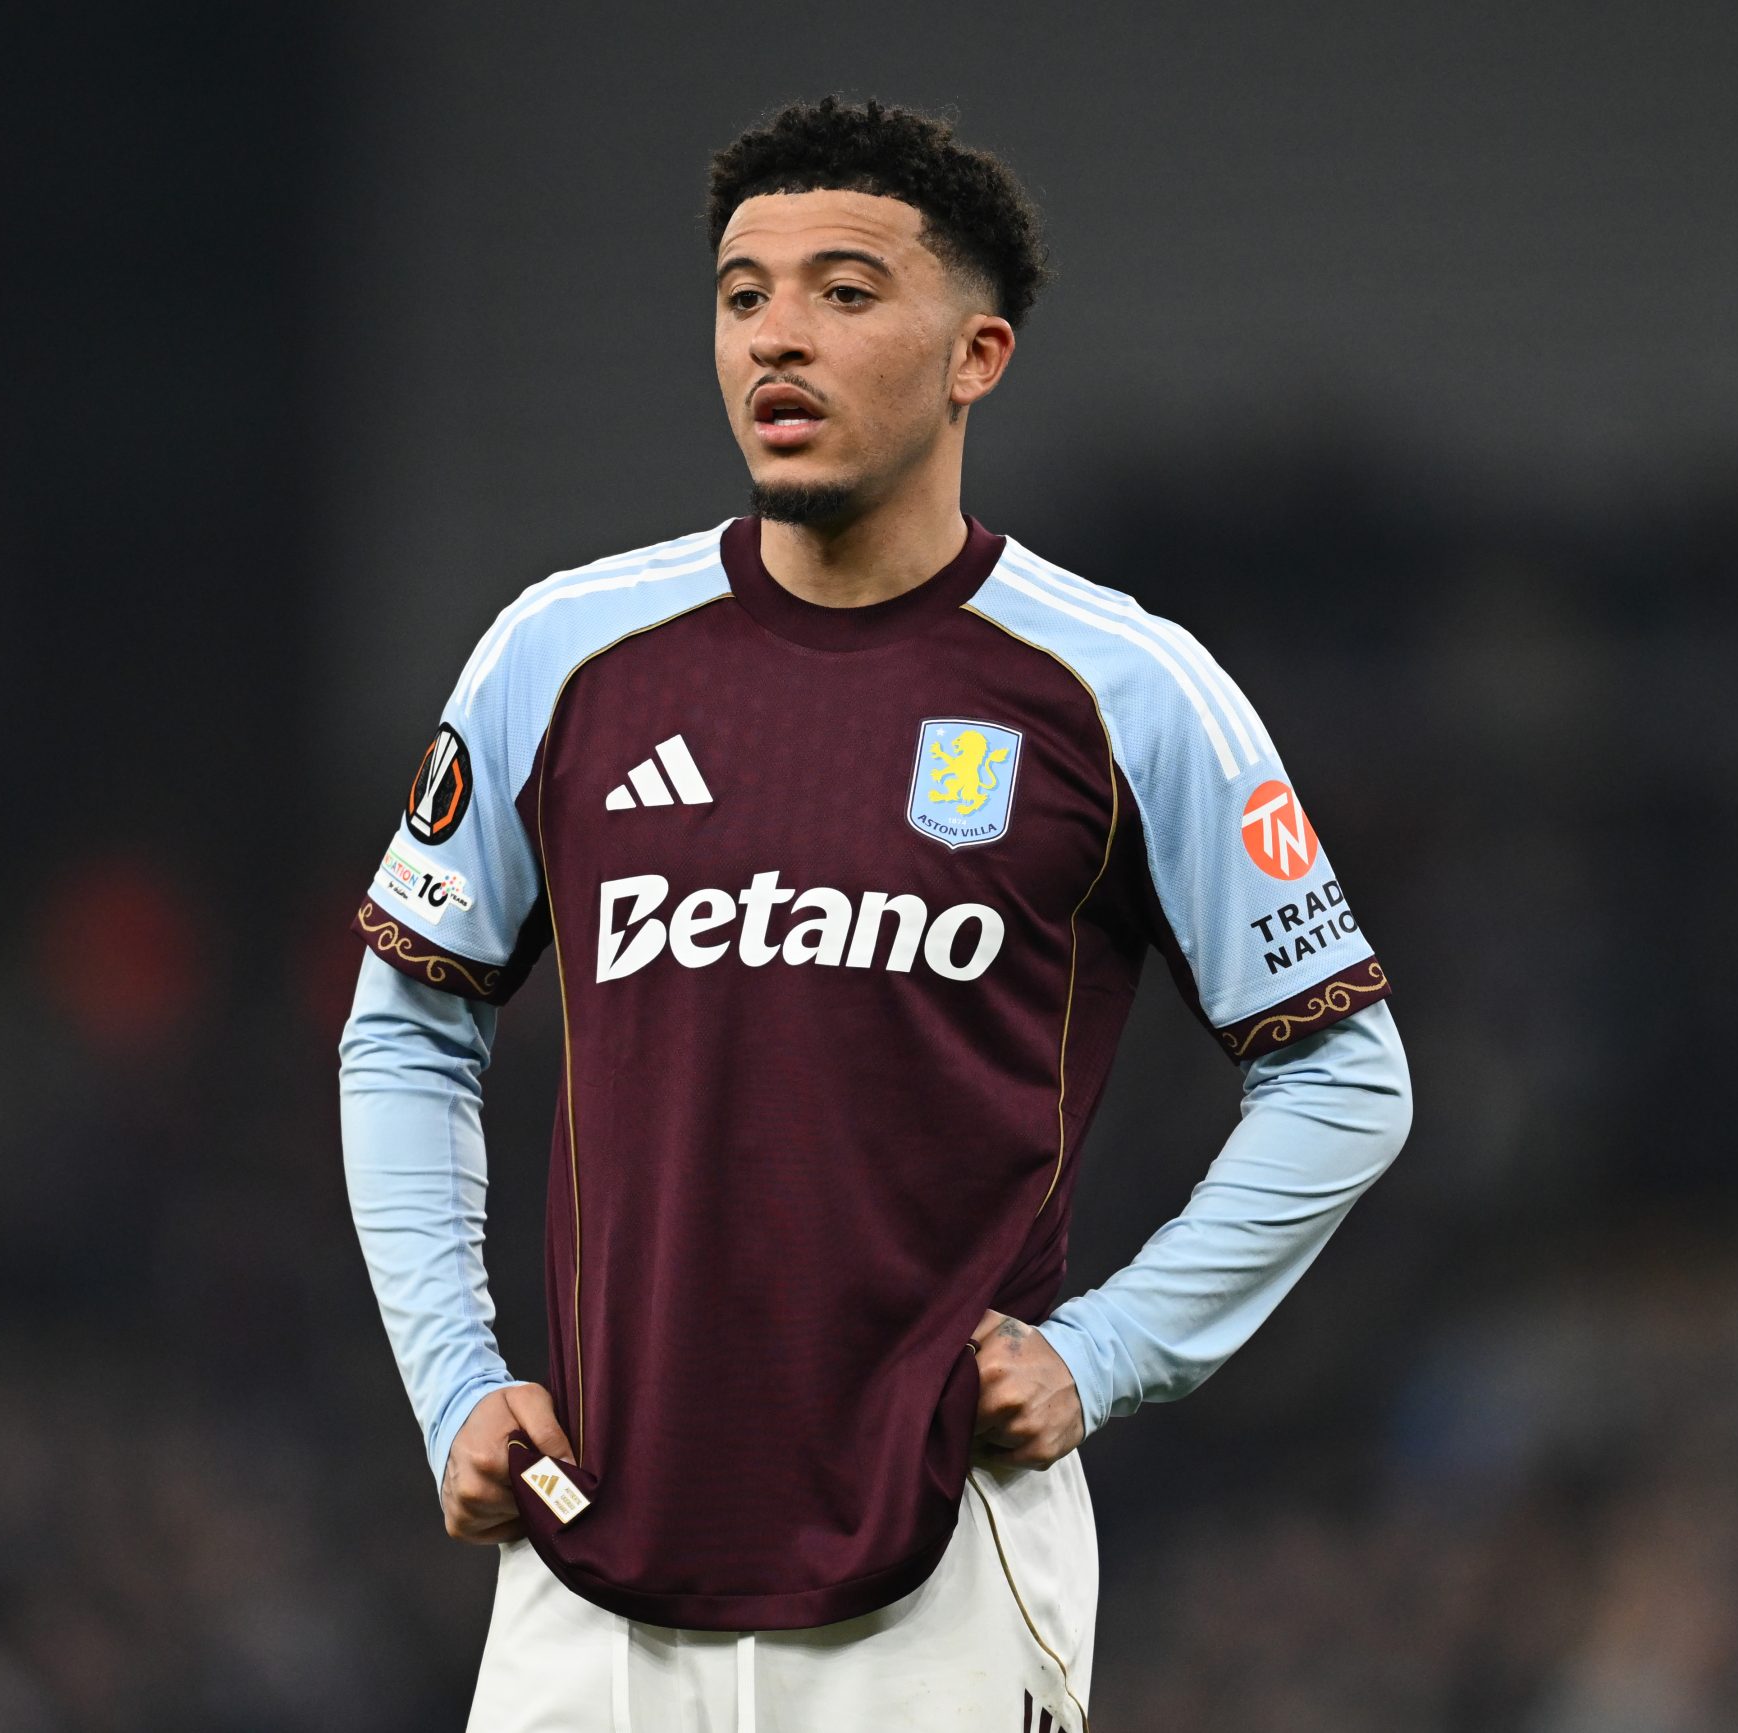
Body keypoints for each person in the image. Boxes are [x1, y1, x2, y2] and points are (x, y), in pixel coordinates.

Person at [338, 96, 1413, 1732]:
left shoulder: (1123, 687)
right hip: (588, 1552)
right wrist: (453, 1383)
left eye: (845, 292)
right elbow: (406, 1029)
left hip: (942, 1560)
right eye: (742, 294)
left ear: (978, 354)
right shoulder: (560, 655)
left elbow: (1346, 1074)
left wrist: (1110, 1348)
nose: (778, 334)